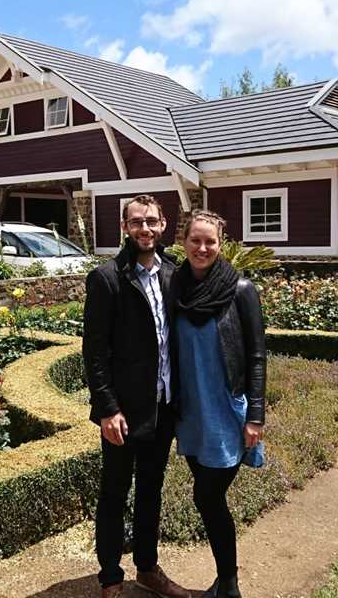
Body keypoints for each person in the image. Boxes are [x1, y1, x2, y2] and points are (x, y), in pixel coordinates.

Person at [83, 194, 190, 598]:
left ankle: (147, 568)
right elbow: (94, 352)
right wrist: (108, 408)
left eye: (151, 221)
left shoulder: (174, 274)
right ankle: (110, 576)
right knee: (113, 492)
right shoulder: (108, 277)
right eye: (136, 222)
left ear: (164, 225)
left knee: (151, 489)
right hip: (124, 412)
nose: (144, 229)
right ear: (125, 227)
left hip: (163, 407)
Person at [173, 210, 266, 598]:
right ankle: (226, 583)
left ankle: (228, 584)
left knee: (207, 496)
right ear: (184, 242)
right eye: (195, 240)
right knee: (206, 495)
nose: (202, 247)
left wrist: (256, 416)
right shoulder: (175, 288)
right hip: (190, 414)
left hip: (227, 413)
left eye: (210, 241)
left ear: (221, 244)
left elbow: (258, 355)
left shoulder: (241, 289)